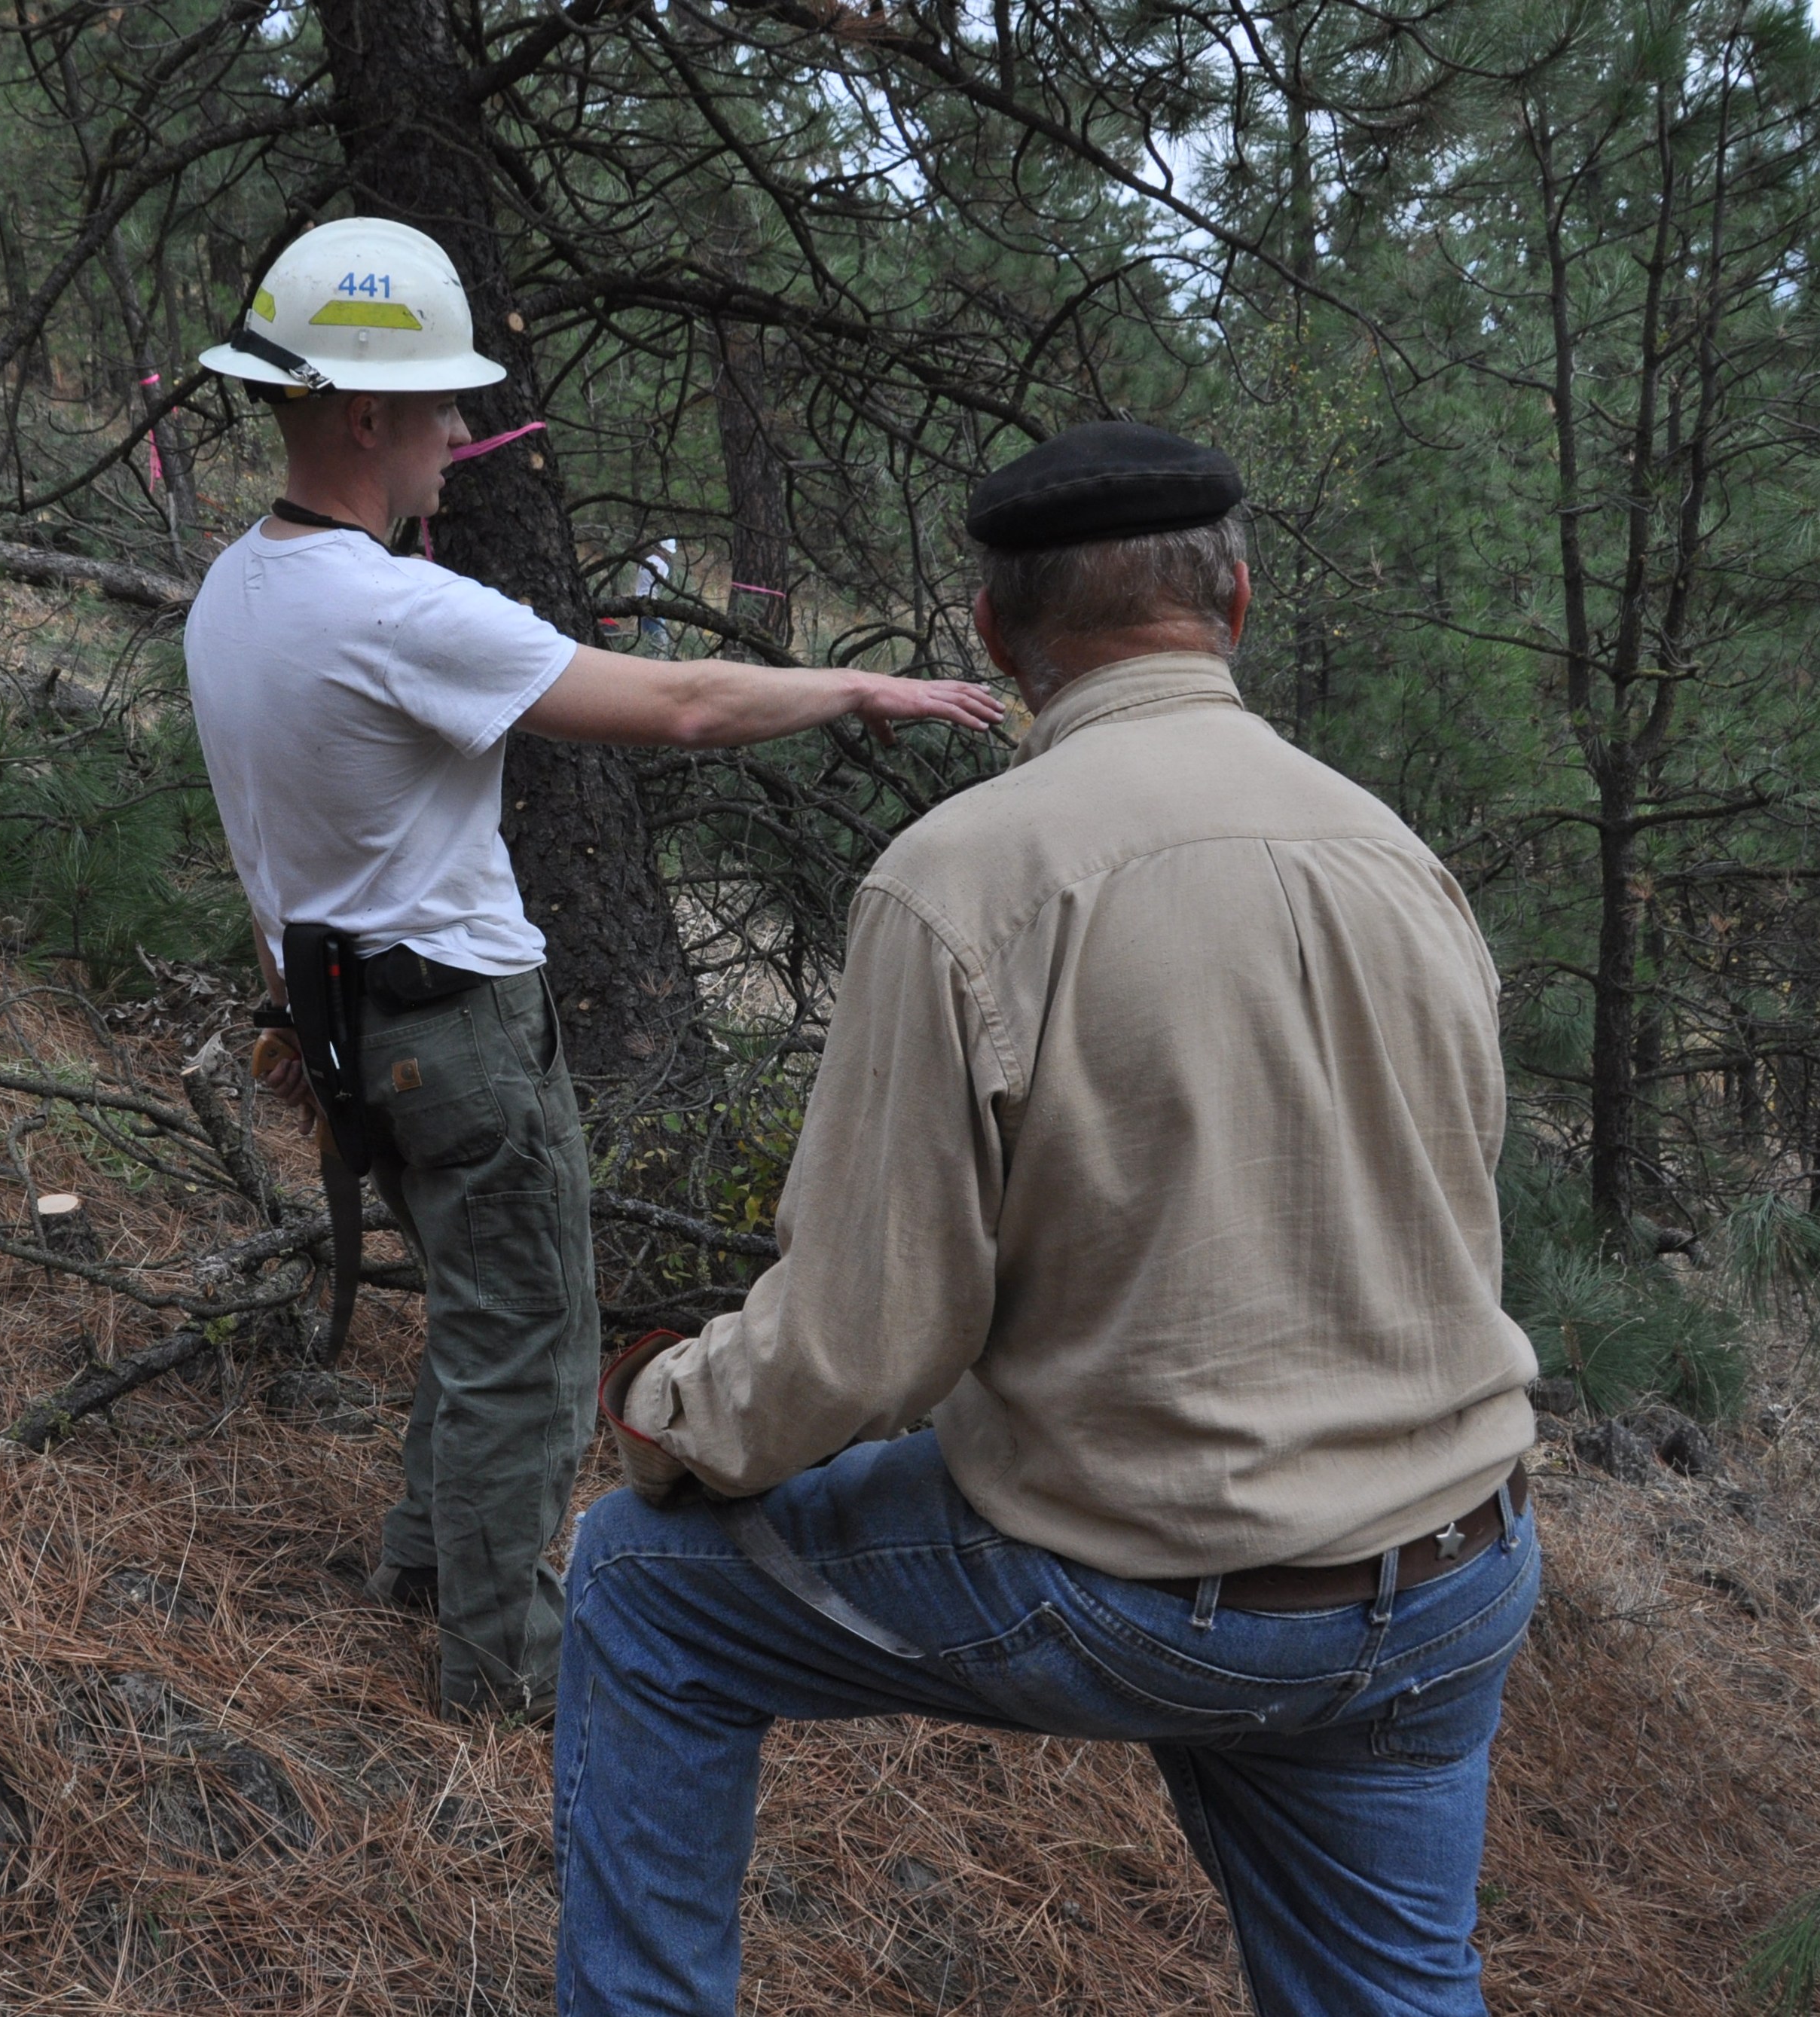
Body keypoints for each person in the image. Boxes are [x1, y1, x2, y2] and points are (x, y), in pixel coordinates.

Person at [557, 420, 1542, 2015]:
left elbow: (864, 1342)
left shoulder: (964, 879)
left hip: (1158, 1591)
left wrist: (669, 1414)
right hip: (1450, 1571)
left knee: (638, 1582)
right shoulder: (1398, 857)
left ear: (994, 634)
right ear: (1234, 601)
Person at [185, 216, 1004, 1719]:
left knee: (479, 1310)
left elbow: (268, 843)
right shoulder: (391, 609)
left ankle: (429, 1564)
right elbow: (680, 702)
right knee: (534, 1342)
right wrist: (853, 686)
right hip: (455, 1027)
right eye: (441, 404)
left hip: (345, 1016)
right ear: (362, 417)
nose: (461, 433)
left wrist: (305, 1026)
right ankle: (504, 1661)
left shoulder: (236, 588)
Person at [631, 539, 677, 655]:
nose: (669, 555)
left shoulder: (647, 560)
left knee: (646, 642)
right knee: (660, 644)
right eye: (669, 552)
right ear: (664, 550)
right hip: (654, 605)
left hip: (639, 604)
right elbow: (663, 589)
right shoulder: (663, 566)